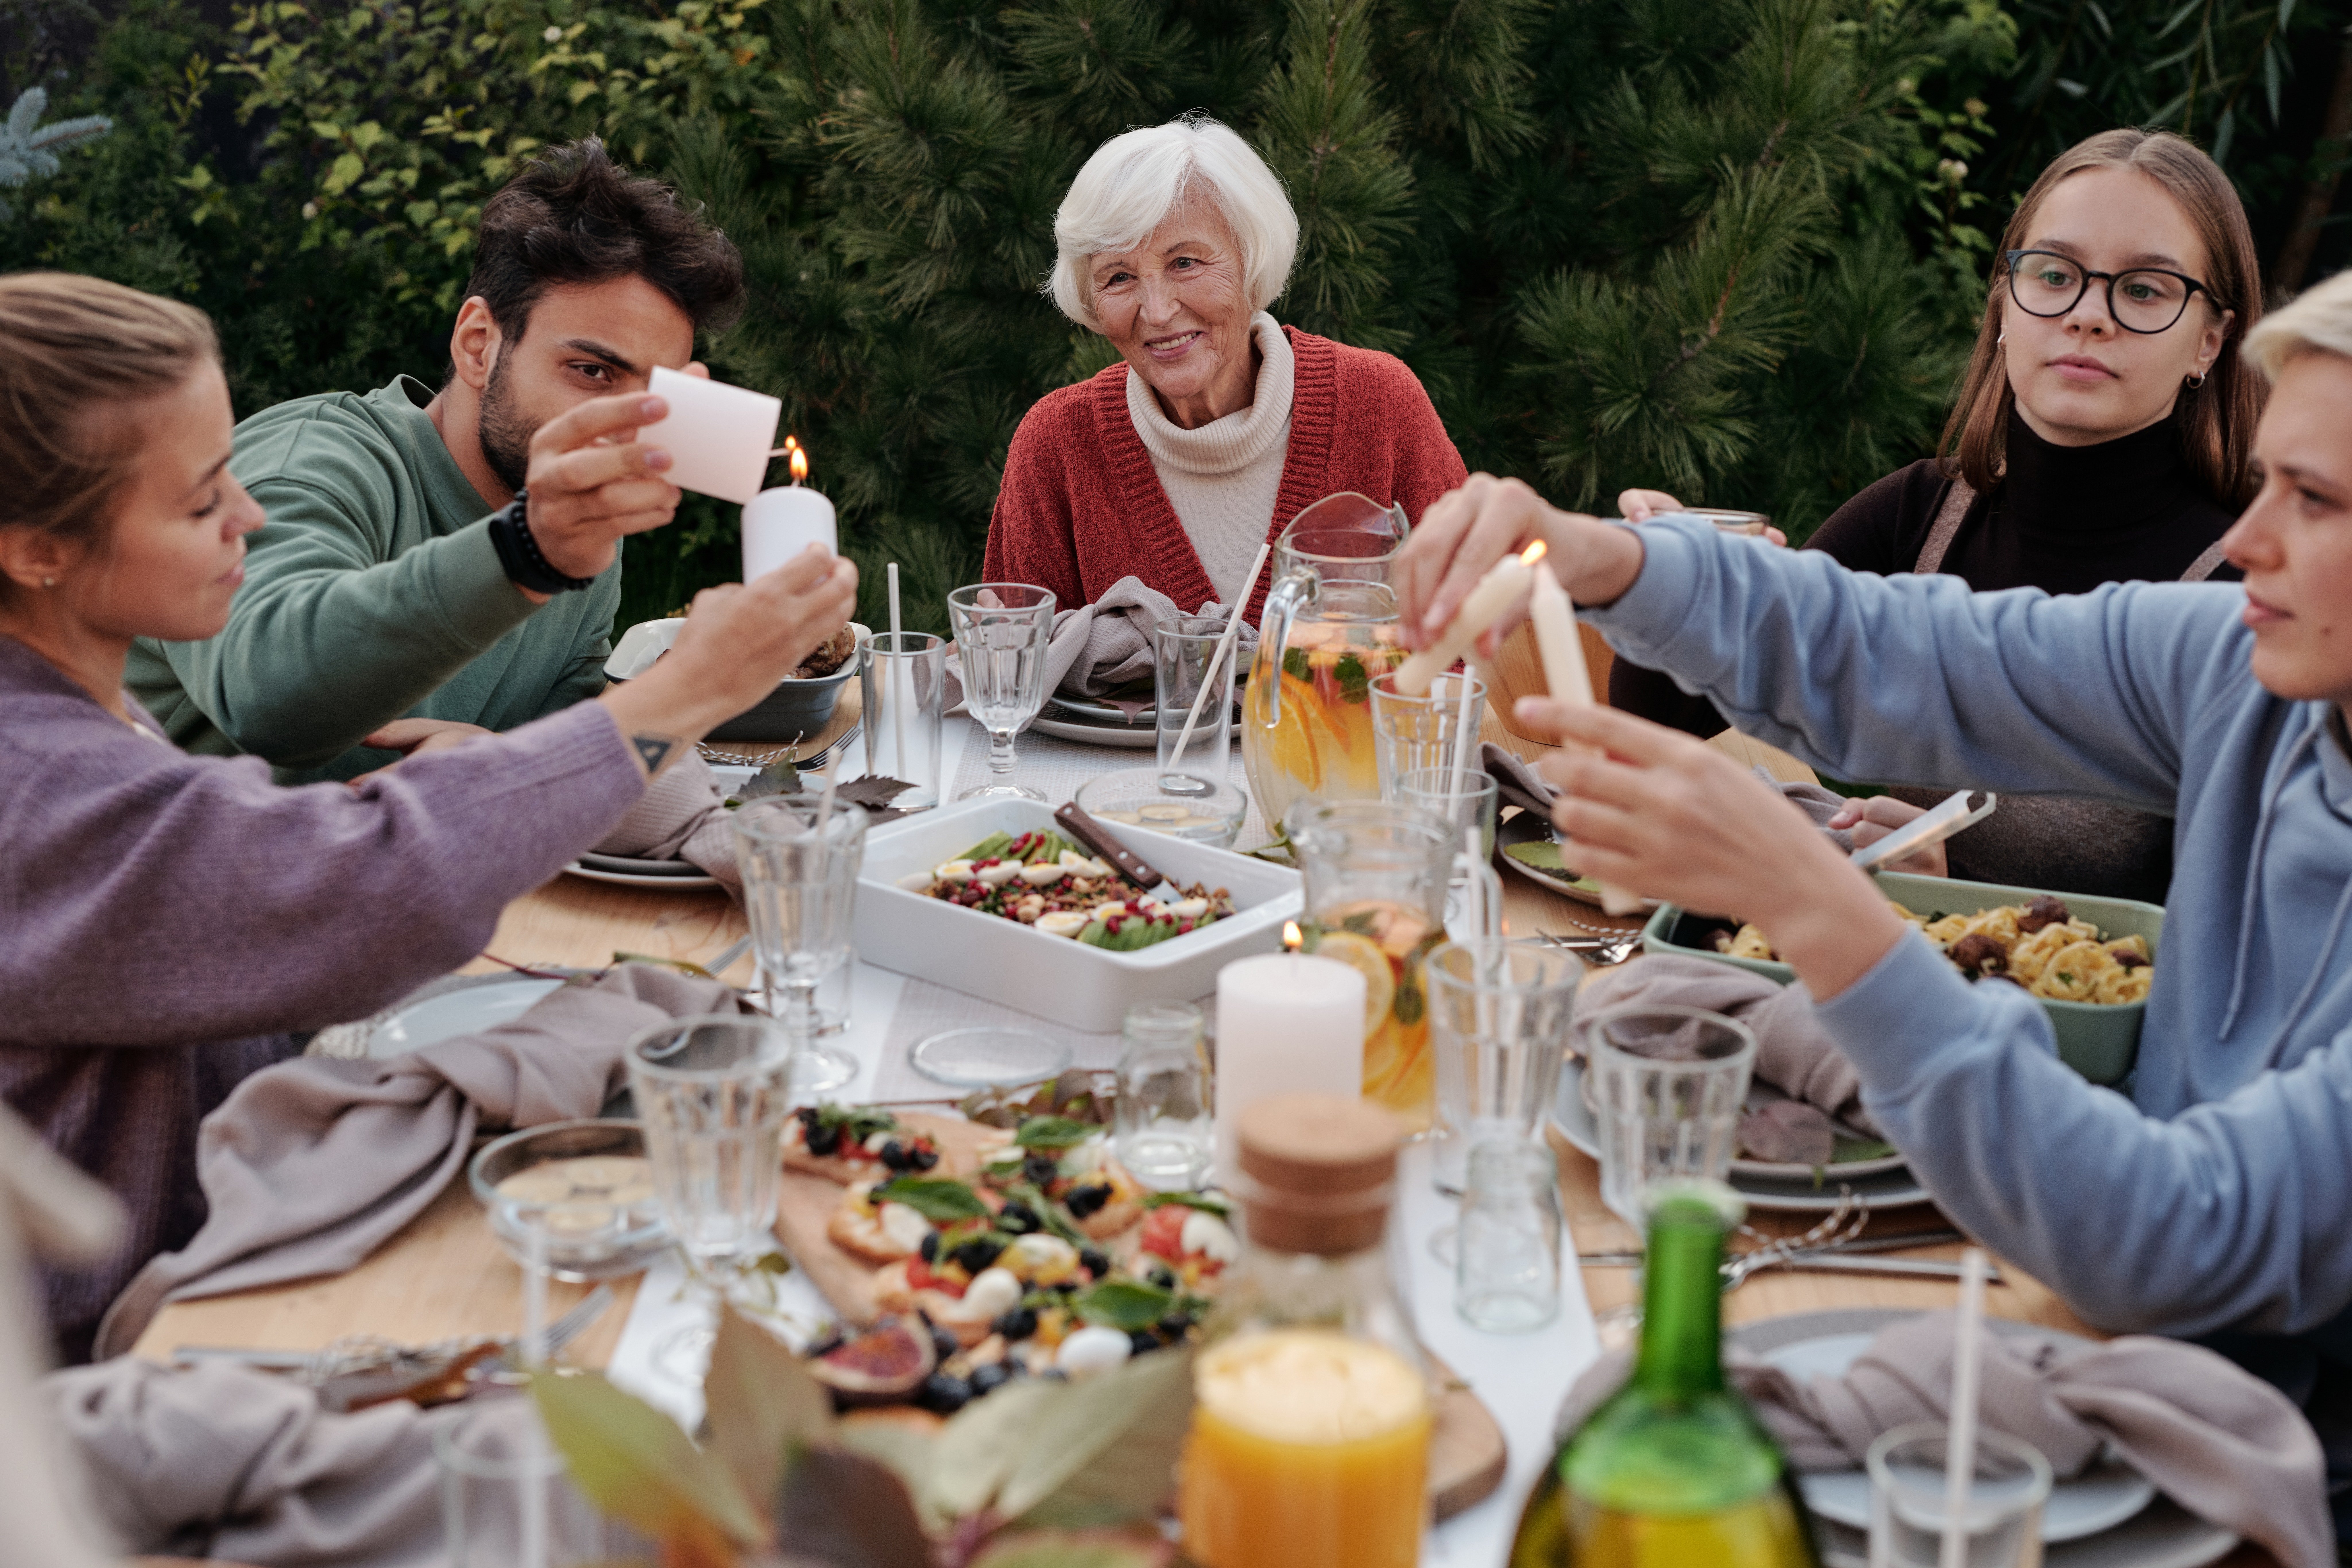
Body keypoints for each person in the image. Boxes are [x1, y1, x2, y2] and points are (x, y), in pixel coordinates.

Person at [1395, 267, 2352, 1519]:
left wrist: (1817, 902)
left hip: (2250, 1491)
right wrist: (1600, 557)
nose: (2243, 540)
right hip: (2074, 1339)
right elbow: (1915, 648)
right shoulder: (2251, 676)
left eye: (2314, 498)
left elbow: (2171, 1240)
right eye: (2267, 478)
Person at [0, 273, 856, 1360]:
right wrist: (685, 692)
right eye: (200, 498)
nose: (247, 516)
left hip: (223, 1254)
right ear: (37, 550)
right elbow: (353, 881)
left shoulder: (79, 700)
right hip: (107, 1369)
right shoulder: (33, 784)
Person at [1609, 129, 2261, 904]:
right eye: (2055, 275)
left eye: (2145, 290)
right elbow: (1665, 719)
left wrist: (1962, 894)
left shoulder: (2253, 583)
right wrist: (1673, 580)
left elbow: (2239, 944)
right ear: (2004, 307)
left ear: (2211, 342)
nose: (2089, 314)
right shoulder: (1923, 515)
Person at [125, 138, 746, 781]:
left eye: (656, 395)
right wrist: (528, 552)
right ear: (477, 345)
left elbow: (568, 764)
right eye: (591, 371)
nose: (625, 428)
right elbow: (268, 698)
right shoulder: (313, 467)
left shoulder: (577, 522)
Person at [985, 114, 1466, 619]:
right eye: (1120, 277)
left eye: (1185, 263)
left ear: (1250, 259)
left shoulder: (1380, 403)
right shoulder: (1056, 444)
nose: (1158, 311)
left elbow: (1468, 642)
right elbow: (1016, 674)